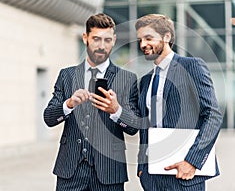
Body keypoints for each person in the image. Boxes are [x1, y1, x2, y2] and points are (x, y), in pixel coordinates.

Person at [43, 13, 139, 191]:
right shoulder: (67, 75)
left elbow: (134, 127)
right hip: (70, 171)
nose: (102, 46)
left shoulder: (127, 79)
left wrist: (116, 110)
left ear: (114, 40)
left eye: (107, 40)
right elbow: (48, 118)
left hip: (109, 173)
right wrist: (69, 104)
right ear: (85, 38)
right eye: (96, 39)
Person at [135, 14, 223, 191]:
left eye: (148, 38)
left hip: (184, 174)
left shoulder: (192, 67)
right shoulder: (145, 80)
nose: (143, 44)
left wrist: (192, 161)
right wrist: (141, 167)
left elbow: (213, 115)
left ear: (166, 36)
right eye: (140, 40)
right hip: (152, 177)